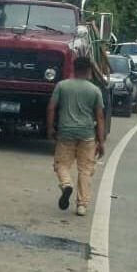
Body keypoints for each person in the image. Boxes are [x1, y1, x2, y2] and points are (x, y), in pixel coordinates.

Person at [46, 56, 107, 216]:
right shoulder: (95, 90)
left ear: (74, 68)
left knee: (61, 165)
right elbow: (100, 117)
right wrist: (101, 141)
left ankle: (66, 185)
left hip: (65, 132)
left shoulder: (62, 86)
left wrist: (50, 128)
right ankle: (81, 205)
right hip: (87, 134)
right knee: (85, 169)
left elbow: (51, 108)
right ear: (88, 71)